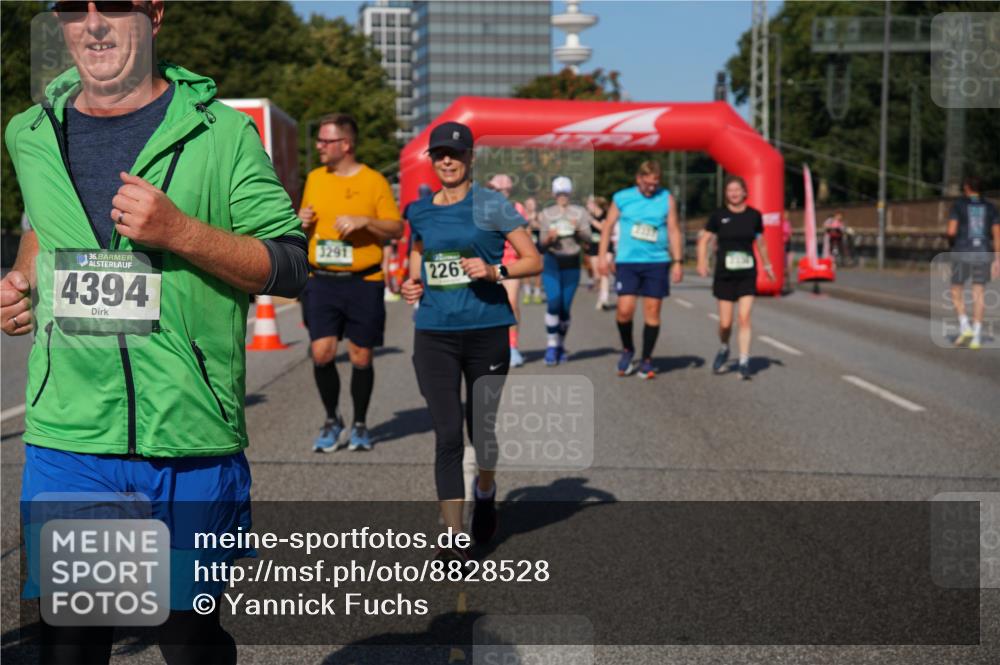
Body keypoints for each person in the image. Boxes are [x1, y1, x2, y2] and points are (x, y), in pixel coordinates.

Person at [0, 2, 308, 663]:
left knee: (187, 641)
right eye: (73, 10)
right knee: (69, 646)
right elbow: (42, 228)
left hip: (189, 438)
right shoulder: (30, 132)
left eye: (113, 5)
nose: (94, 24)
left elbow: (288, 264)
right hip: (72, 440)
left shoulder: (220, 135)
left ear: (155, 14)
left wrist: (180, 231)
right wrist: (23, 282)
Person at [401, 122, 541, 563]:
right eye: (440, 154)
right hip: (435, 334)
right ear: (432, 159)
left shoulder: (493, 205)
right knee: (446, 434)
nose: (447, 160)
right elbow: (419, 252)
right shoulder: (419, 211)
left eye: (455, 154)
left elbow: (533, 259)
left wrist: (495, 271)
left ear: (469, 159)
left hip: (487, 332)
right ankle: (454, 535)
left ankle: (486, 488)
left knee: (481, 432)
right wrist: (411, 281)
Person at [299, 113, 403, 452]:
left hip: (363, 281)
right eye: (319, 141)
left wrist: (366, 221)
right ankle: (332, 418)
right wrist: (299, 221)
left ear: (346, 144)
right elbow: (302, 224)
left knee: (360, 356)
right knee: (322, 352)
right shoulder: (315, 178)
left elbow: (396, 228)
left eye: (325, 141)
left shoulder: (374, 181)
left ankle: (360, 422)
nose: (319, 147)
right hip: (322, 279)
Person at [597, 161, 682, 379]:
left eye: (656, 183)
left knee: (652, 311)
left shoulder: (666, 198)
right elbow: (607, 226)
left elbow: (673, 228)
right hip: (627, 261)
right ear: (639, 179)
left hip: (657, 261)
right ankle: (628, 349)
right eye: (648, 184)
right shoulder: (622, 197)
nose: (652, 188)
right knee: (624, 311)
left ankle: (646, 359)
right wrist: (602, 257)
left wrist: (678, 261)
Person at [697, 176, 775, 380]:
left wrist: (767, 265)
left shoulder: (754, 216)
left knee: (744, 318)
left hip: (747, 274)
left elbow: (761, 242)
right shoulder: (718, 215)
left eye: (737, 190)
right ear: (726, 194)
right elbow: (704, 240)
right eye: (730, 190)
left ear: (744, 192)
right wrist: (702, 262)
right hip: (724, 275)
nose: (733, 194)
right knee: (725, 323)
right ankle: (724, 347)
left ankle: (744, 361)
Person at [537, 176, 592, 365]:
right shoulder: (546, 213)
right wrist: (549, 238)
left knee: (565, 308)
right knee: (553, 303)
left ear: (570, 194)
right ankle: (551, 345)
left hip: (571, 264)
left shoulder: (580, 212)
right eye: (559, 193)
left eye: (565, 193)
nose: (562, 196)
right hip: (552, 262)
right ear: (554, 194)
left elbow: (589, 238)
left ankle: (560, 344)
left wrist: (578, 231)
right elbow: (541, 246)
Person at [946, 176, 1000, 350]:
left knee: (955, 290)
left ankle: (964, 325)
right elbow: (997, 235)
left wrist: (949, 239)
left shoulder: (959, 205)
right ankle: (976, 336)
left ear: (967, 187)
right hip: (983, 252)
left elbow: (951, 230)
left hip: (962, 251)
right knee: (979, 293)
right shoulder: (991, 207)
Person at [487, 173, 529, 368]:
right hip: (487, 263)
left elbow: (525, 237)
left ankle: (512, 347)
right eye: (496, 190)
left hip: (511, 262)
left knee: (511, 303)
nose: (500, 194)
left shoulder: (517, 208)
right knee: (489, 307)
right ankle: (491, 348)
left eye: (504, 190)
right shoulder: (483, 210)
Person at [586, 195, 613, 309]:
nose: (587, 206)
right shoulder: (588, 217)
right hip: (593, 248)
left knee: (604, 272)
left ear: (594, 205)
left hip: (607, 247)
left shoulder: (605, 215)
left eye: (589, 204)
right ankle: (601, 294)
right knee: (597, 275)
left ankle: (604, 298)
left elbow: (604, 228)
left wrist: (591, 221)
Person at [521, 196, 545, 305]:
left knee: (538, 270)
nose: (530, 206)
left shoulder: (539, 215)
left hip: (538, 246)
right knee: (526, 270)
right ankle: (527, 292)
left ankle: (537, 292)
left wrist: (534, 222)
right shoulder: (521, 215)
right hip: (525, 246)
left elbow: (543, 228)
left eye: (532, 203)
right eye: (528, 204)